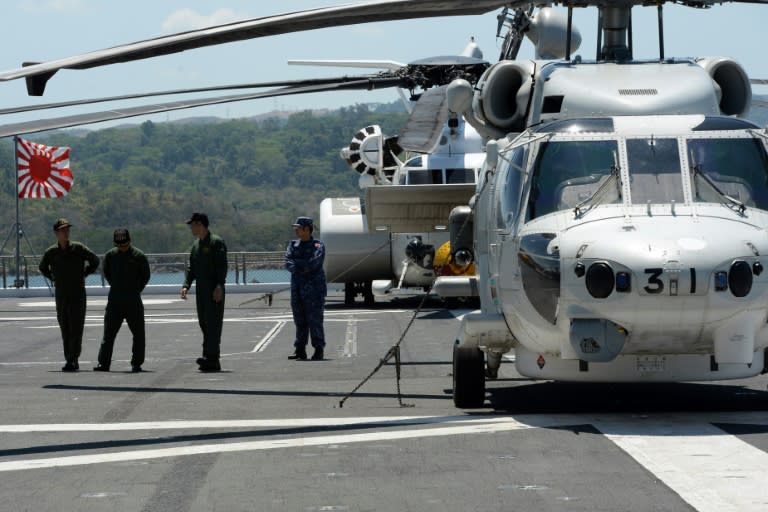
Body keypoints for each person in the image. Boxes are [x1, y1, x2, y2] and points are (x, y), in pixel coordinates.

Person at [38, 218, 100, 372]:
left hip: (77, 294)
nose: (66, 232)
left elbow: (95, 260)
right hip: (61, 295)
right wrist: (53, 277)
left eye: (67, 229)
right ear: (56, 233)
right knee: (65, 327)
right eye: (62, 230)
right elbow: (42, 267)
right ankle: (69, 358)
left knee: (76, 328)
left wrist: (84, 273)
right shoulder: (52, 252)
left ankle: (73, 358)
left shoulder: (78, 248)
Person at [94, 229, 151, 373]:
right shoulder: (110, 255)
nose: (122, 248)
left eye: (125, 245)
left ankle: (136, 363)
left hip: (133, 300)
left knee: (138, 334)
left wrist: (136, 289)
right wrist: (117, 286)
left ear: (130, 241)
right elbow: (107, 273)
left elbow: (145, 276)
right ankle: (104, 363)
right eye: (119, 246)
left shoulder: (139, 256)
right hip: (115, 300)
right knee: (108, 334)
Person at [180, 212, 228, 372]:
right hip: (201, 291)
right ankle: (209, 357)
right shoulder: (196, 245)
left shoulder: (216, 242)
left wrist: (219, 286)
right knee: (204, 323)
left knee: (213, 324)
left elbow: (222, 266)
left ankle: (212, 358)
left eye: (192, 225)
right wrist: (186, 285)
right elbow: (191, 268)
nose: (191, 228)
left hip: (214, 290)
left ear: (200, 224)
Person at [285, 216, 327, 361]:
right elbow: (288, 262)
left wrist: (300, 264)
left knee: (315, 319)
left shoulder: (318, 245)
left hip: (314, 290)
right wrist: (301, 266)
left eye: (299, 228)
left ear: (307, 229)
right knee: (299, 320)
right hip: (297, 289)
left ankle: (318, 349)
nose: (296, 230)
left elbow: (314, 263)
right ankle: (300, 349)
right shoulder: (292, 245)